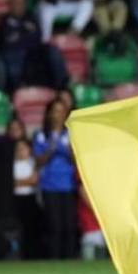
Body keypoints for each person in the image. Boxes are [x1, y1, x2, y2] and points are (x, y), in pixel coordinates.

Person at [33, 101, 78, 260]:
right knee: (54, 225)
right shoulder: (41, 135)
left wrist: (68, 151)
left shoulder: (71, 134)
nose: (58, 115)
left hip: (68, 184)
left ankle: (71, 259)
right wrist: (50, 149)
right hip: (49, 185)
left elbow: (77, 160)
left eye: (61, 111)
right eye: (55, 111)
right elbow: (38, 162)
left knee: (69, 225)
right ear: (49, 114)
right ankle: (54, 259)